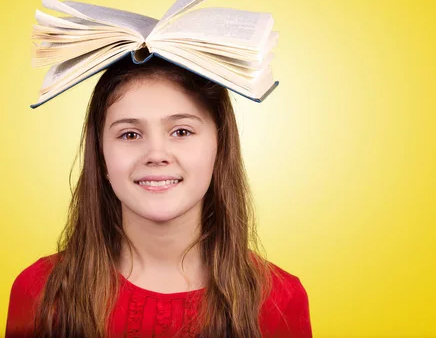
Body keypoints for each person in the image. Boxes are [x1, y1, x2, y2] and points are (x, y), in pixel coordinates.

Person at [5, 57, 312, 338]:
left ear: (220, 149)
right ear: (101, 158)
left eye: (181, 131)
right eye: (129, 134)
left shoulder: (280, 299)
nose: (156, 155)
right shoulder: (41, 291)